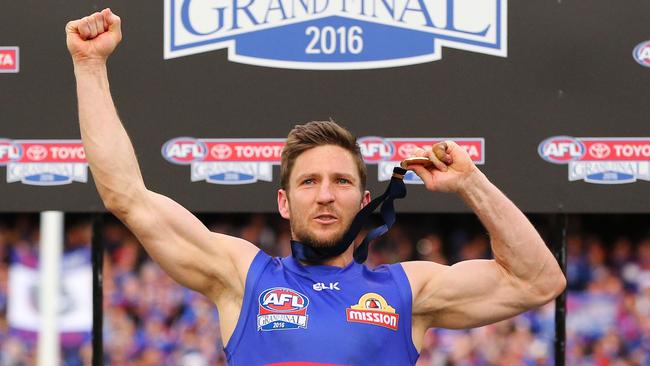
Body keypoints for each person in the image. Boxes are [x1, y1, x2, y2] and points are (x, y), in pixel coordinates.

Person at [65, 9, 566, 365]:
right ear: (284, 201)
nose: (325, 194)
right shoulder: (242, 277)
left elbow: (538, 282)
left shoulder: (409, 290)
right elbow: (125, 195)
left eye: (341, 181)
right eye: (309, 181)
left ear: (365, 202)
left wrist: (472, 184)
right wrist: (90, 66)